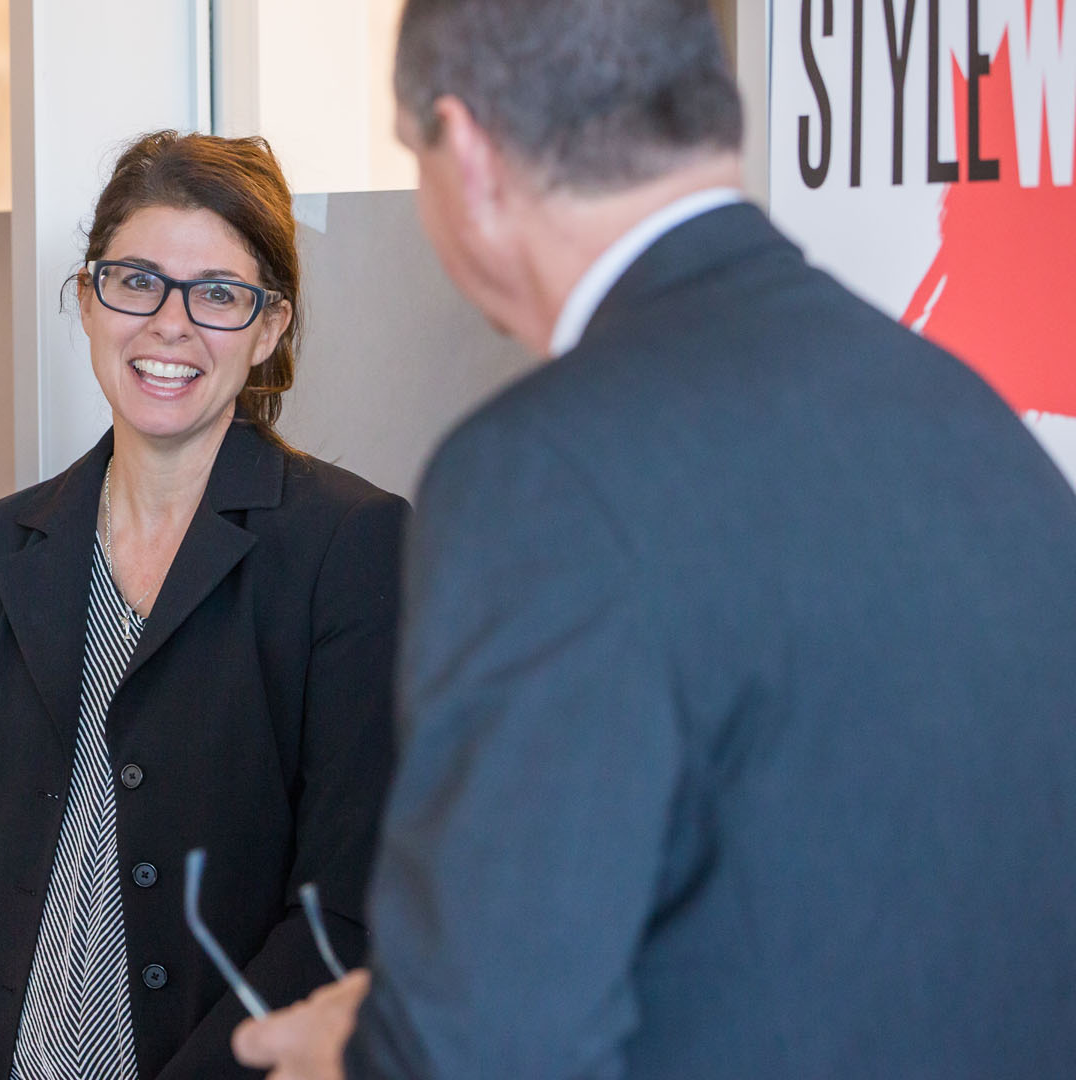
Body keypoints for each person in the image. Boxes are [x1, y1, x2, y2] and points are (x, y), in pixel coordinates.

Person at [233, 0, 1076, 1077]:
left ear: (471, 154)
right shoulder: (965, 415)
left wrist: (362, 1053)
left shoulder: (540, 474)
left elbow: (485, 1044)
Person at [0, 131, 405, 1080]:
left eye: (217, 294)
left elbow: (343, 908)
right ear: (87, 299)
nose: (170, 325)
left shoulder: (352, 548)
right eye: (136, 281)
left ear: (269, 327)